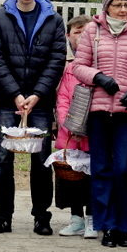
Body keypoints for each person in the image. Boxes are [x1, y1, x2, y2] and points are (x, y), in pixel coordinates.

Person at [0, 0, 66, 235]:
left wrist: (37, 94)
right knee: (2, 161)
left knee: (41, 161)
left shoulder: (53, 20)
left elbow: (57, 59)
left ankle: (42, 216)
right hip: (10, 101)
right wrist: (16, 94)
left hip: (40, 102)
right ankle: (2, 215)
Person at [72, 0, 127, 247]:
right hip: (98, 110)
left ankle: (123, 226)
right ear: (107, 6)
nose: (123, 10)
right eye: (117, 5)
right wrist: (99, 77)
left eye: (126, 5)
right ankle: (106, 226)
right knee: (102, 169)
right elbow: (77, 66)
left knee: (123, 169)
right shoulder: (92, 31)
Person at [53, 15, 94, 238]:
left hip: (92, 133)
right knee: (70, 177)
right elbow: (63, 99)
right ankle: (76, 218)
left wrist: (87, 126)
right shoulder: (69, 69)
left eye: (86, 31)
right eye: (77, 31)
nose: (82, 35)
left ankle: (92, 219)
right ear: (69, 36)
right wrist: (68, 125)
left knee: (91, 177)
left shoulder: (98, 65)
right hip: (69, 134)